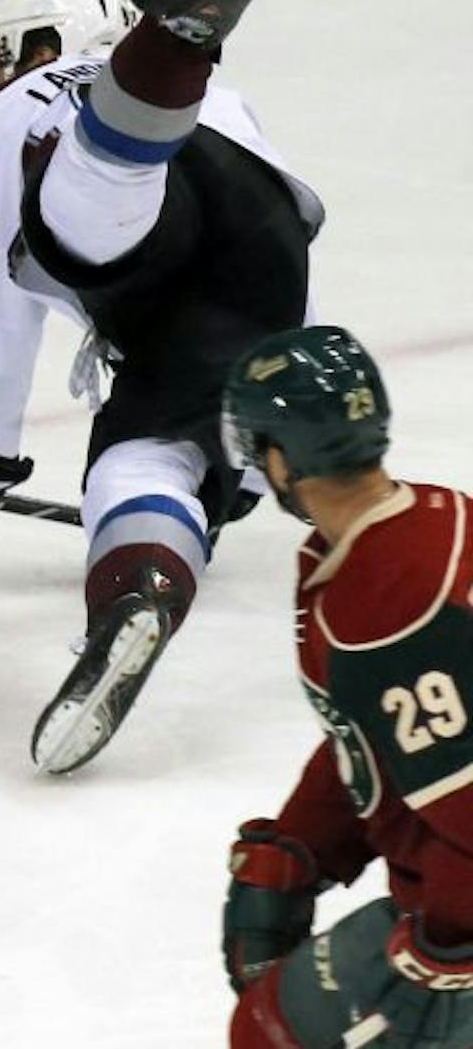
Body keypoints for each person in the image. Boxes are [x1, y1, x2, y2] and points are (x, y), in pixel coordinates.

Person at [0, 0, 322, 774]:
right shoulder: (229, 105)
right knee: (149, 458)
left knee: (87, 212)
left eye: (10, 52)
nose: (1, 73)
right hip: (264, 233)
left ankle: (175, 36)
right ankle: (141, 587)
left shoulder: (0, 114)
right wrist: (226, 443)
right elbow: (258, 242)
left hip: (139, 191)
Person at [218, 326, 473, 1049]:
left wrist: (448, 944)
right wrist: (305, 841)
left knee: (275, 1032)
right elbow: (381, 733)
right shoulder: (426, 523)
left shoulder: (390, 608)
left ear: (278, 456)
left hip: (461, 923)